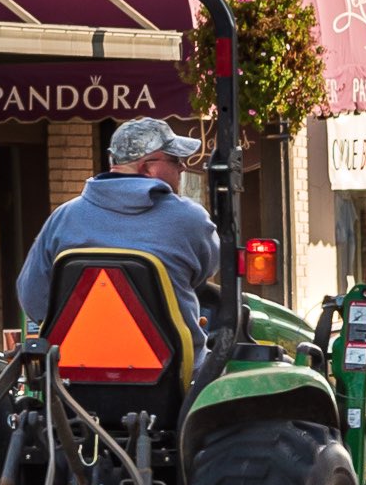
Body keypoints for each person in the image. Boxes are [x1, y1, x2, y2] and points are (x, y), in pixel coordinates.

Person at [16, 116, 220, 360]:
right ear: (147, 167)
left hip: (77, 373)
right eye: (175, 160)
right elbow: (206, 269)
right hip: (174, 373)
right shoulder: (190, 218)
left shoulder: (64, 218)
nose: (183, 167)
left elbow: (32, 297)